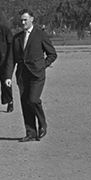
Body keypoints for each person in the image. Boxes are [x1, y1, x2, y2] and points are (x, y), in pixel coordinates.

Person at [12, 9, 57, 142]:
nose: (23, 22)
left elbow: (52, 54)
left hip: (37, 74)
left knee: (33, 99)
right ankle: (31, 133)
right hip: (22, 75)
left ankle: (42, 124)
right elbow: (12, 58)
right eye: (21, 20)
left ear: (32, 19)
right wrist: (8, 76)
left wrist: (43, 65)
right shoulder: (17, 37)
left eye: (25, 19)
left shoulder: (40, 34)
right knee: (25, 103)